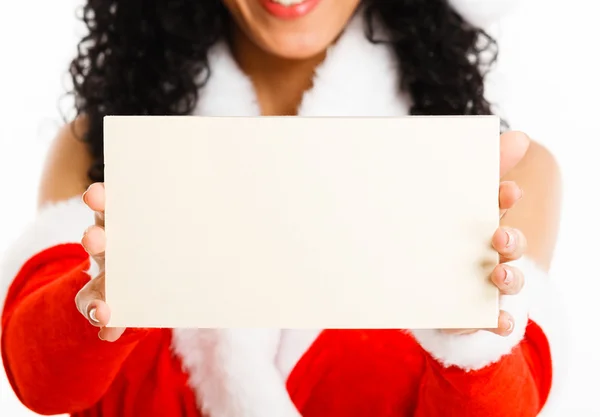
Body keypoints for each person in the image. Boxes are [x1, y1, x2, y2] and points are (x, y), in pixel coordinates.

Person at [0, 0, 563, 416]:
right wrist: (98, 301)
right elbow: (42, 384)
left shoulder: (497, 177)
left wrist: (472, 341)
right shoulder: (97, 150)